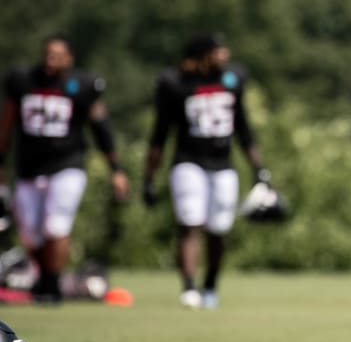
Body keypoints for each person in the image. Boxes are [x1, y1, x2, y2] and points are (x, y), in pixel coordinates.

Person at [142, 32, 271, 310]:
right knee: (190, 222)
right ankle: (189, 287)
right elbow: (159, 134)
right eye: (218, 51)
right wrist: (149, 177)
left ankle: (210, 284)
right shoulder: (177, 84)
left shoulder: (231, 81)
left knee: (219, 229)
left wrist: (259, 168)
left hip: (223, 164)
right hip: (188, 160)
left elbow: (243, 128)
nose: (224, 55)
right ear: (201, 55)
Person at [0, 36, 129, 303]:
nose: (51, 59)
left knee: (56, 224)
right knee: (30, 233)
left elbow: (100, 127)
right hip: (29, 168)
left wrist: (116, 168)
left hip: (67, 164)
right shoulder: (24, 81)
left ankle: (52, 285)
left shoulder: (81, 85)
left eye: (58, 55)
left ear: (70, 59)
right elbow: (7, 123)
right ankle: (47, 277)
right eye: (47, 53)